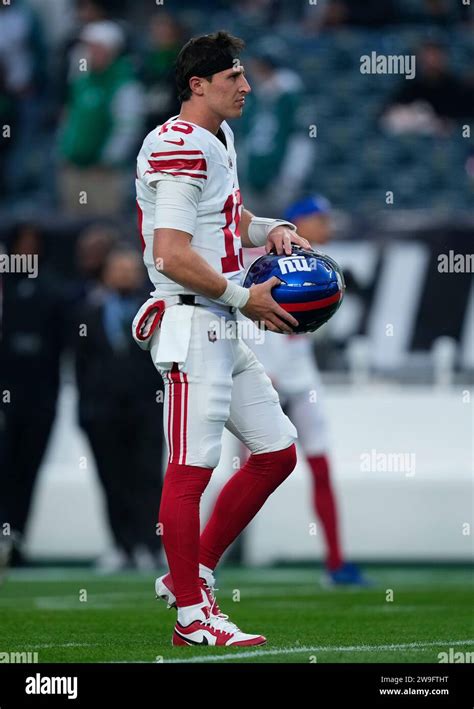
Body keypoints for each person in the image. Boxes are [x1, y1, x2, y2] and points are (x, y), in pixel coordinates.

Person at [135, 30, 311, 647]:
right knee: (189, 470)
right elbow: (172, 252)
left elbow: (225, 214)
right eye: (233, 77)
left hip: (218, 321)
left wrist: (271, 229)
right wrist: (244, 296)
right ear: (198, 85)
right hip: (191, 320)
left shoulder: (217, 136)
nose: (246, 85)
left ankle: (193, 574)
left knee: (276, 450)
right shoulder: (175, 145)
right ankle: (191, 615)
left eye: (243, 74)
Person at [242, 195, 369, 585]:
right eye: (318, 220)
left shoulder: (322, 267)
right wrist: (262, 368)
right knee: (242, 471)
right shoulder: (259, 262)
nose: (326, 228)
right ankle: (210, 555)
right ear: (294, 224)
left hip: (300, 375)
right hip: (262, 374)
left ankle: (335, 561)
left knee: (319, 465)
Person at [74, 248, 165, 571]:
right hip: (102, 412)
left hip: (146, 409)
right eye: (119, 269)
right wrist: (85, 410)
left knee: (149, 478)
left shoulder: (156, 311)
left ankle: (153, 546)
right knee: (112, 480)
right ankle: (122, 545)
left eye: (130, 269)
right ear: (106, 273)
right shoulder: (88, 311)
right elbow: (81, 366)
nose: (125, 275)